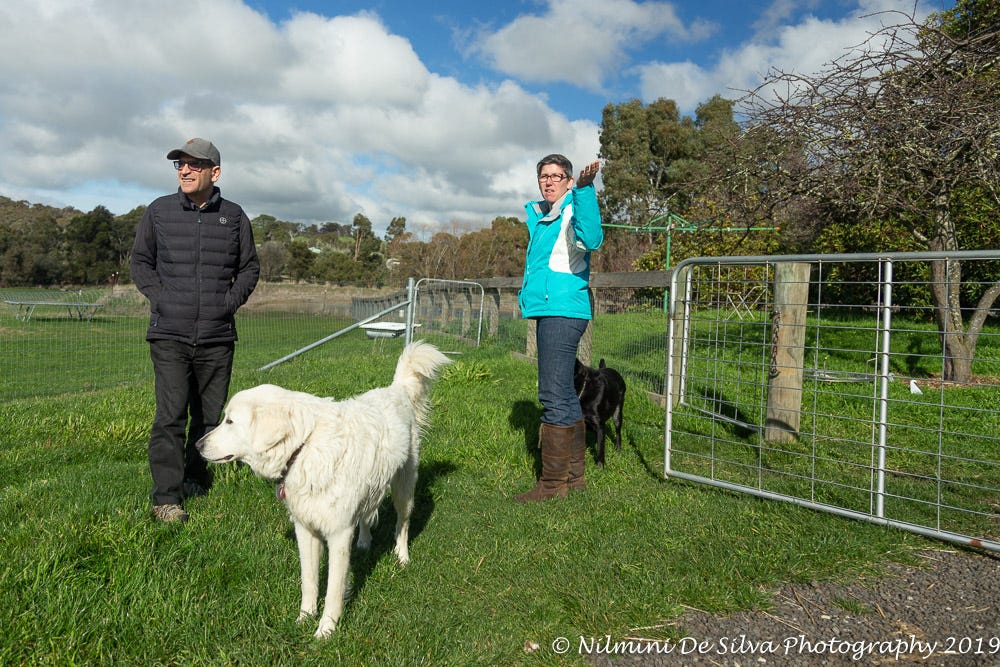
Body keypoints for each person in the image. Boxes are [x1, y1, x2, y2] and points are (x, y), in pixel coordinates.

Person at [131, 138, 260, 523]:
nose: (184, 171)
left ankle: (195, 478)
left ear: (214, 172)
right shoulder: (159, 212)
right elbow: (140, 262)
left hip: (217, 337)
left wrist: (227, 304)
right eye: (179, 165)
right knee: (171, 415)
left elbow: (250, 268)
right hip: (169, 333)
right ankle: (166, 499)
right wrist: (163, 300)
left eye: (194, 165)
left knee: (208, 416)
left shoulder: (234, 217)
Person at [515, 154, 603, 502]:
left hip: (562, 310)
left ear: (568, 181)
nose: (549, 181)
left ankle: (551, 486)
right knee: (565, 393)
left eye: (557, 176)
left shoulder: (571, 210)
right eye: (544, 176)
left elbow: (593, 238)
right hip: (552, 308)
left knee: (551, 394)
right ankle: (573, 478)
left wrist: (584, 191)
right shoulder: (544, 217)